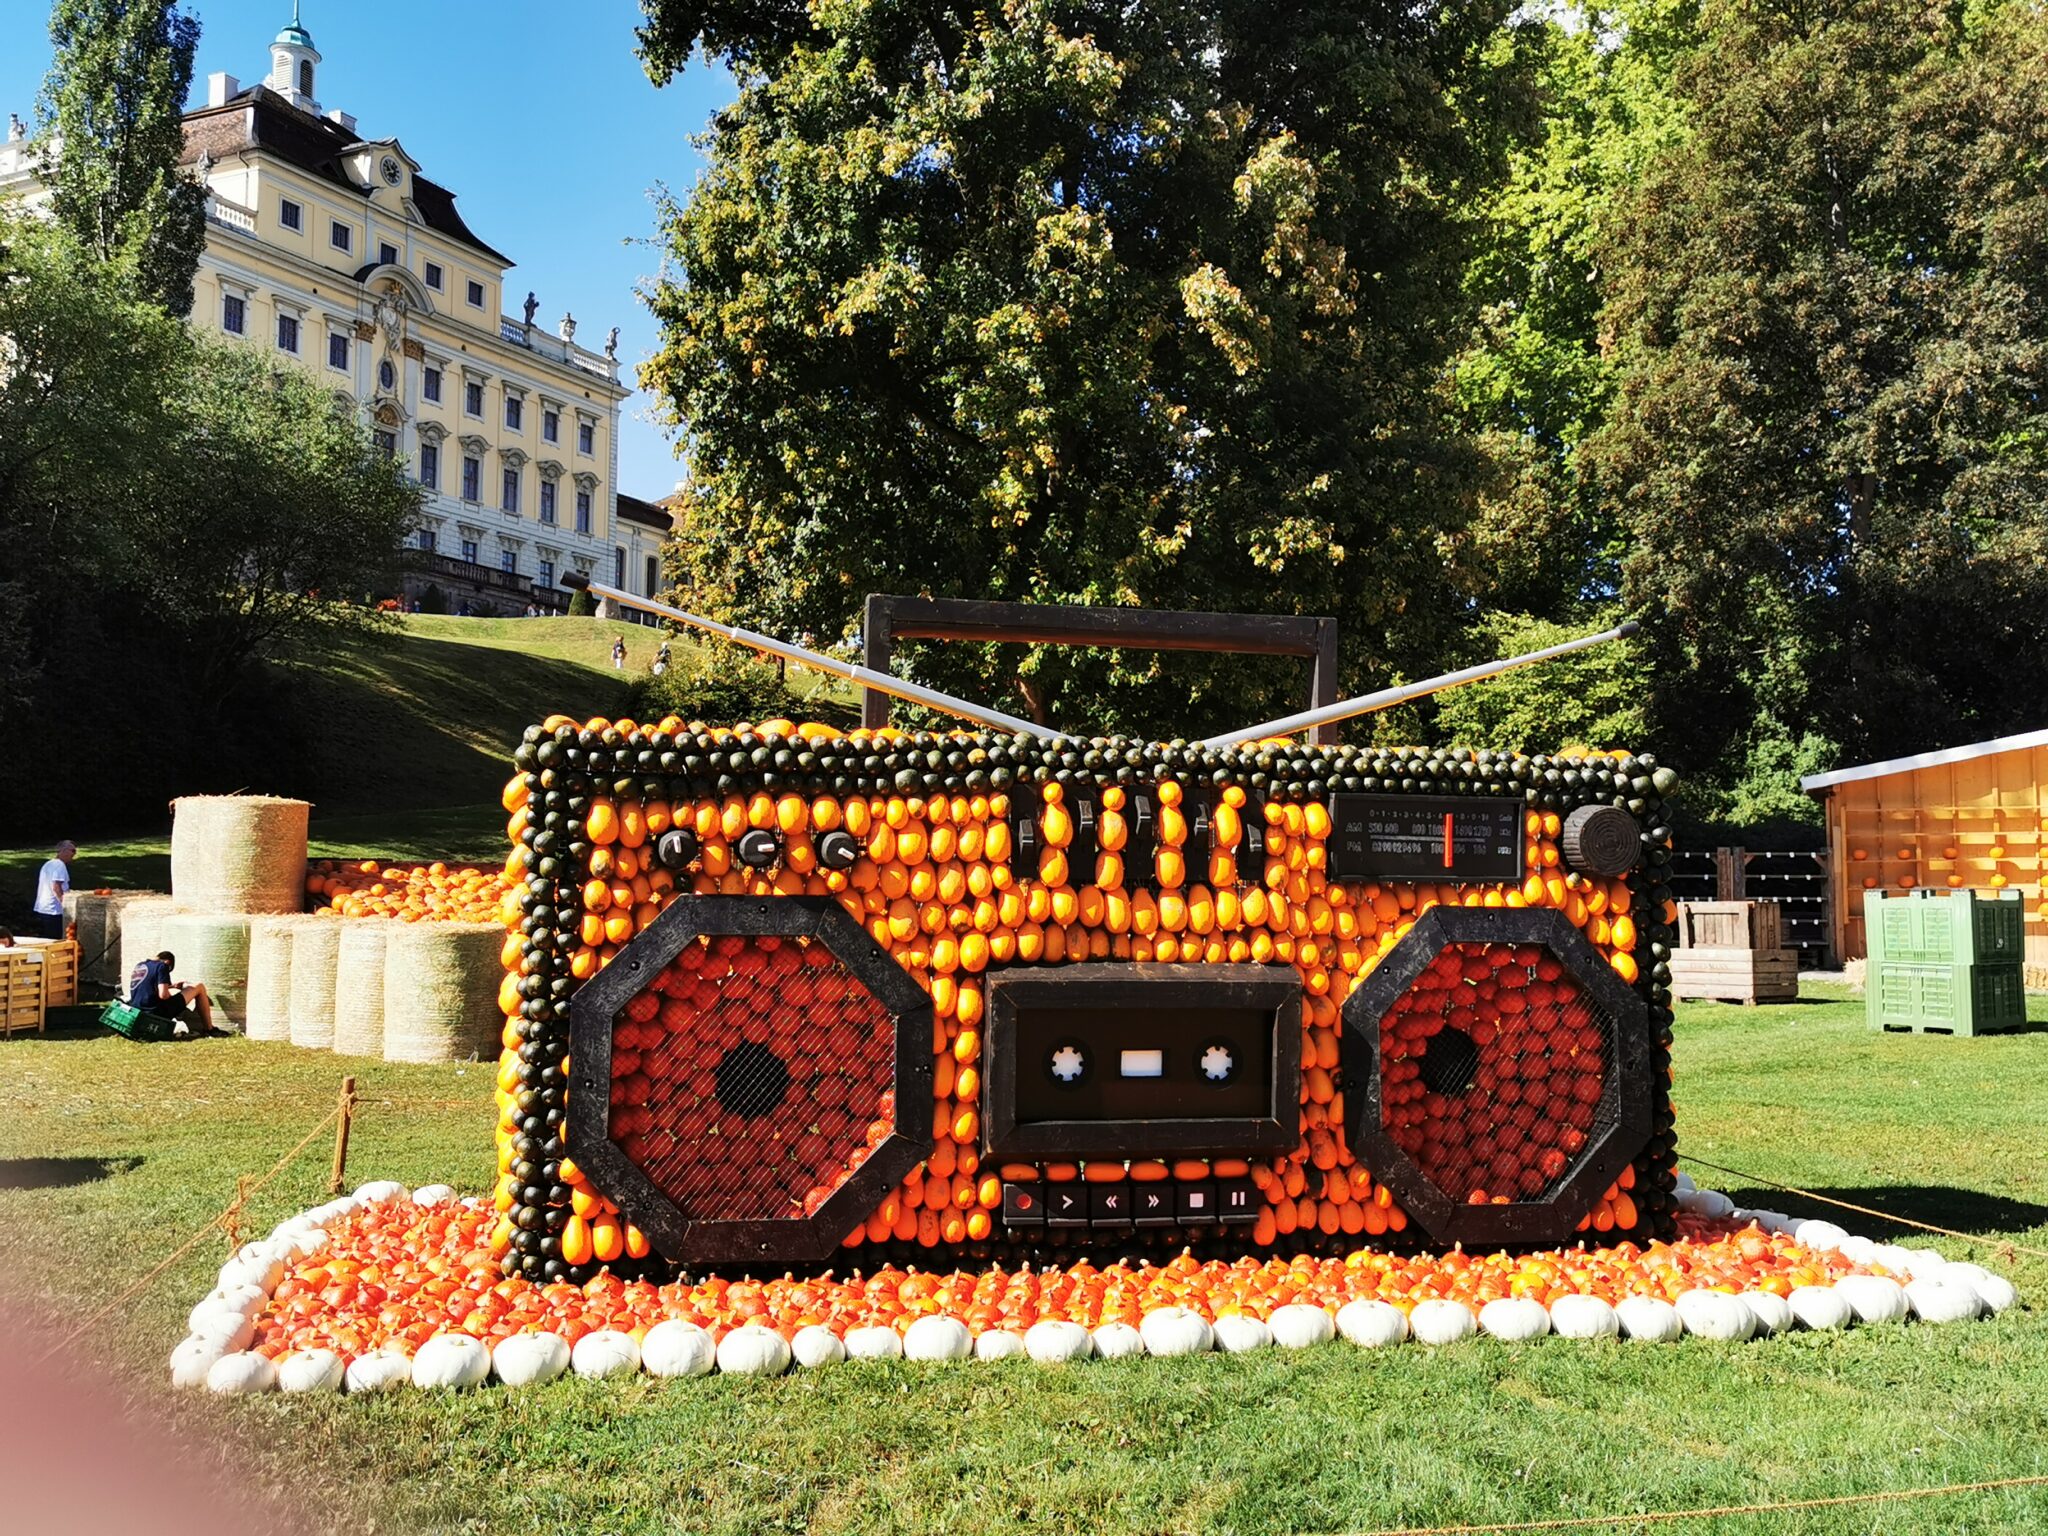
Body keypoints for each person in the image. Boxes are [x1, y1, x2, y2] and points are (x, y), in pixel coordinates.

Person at [129, 950, 215, 1037]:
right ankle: (209, 1029)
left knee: (173, 1001)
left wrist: (172, 986)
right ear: (168, 962)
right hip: (154, 1012)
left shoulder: (140, 966)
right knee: (199, 987)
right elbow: (163, 995)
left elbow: (148, 987)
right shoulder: (162, 965)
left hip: (138, 1011)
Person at [32, 840, 73, 940]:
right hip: (54, 910)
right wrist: (65, 905)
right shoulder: (60, 865)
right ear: (63, 850)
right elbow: (56, 887)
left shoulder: (48, 863)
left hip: (44, 908)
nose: (74, 854)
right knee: (55, 940)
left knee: (47, 939)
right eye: (72, 850)